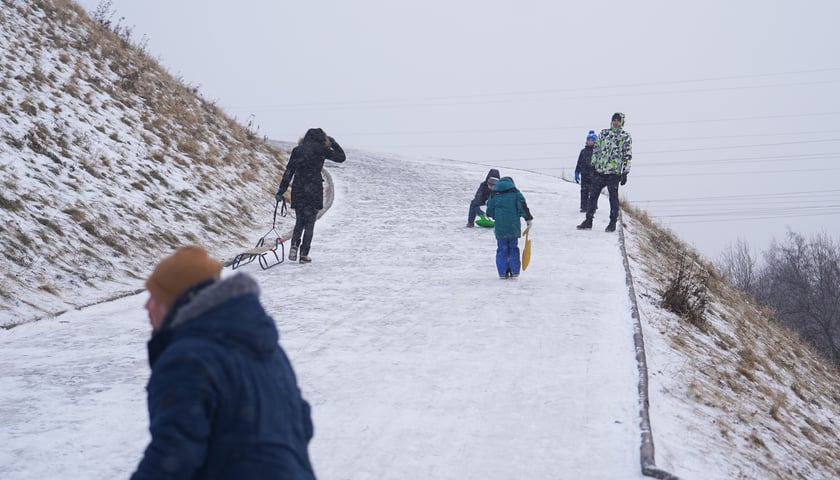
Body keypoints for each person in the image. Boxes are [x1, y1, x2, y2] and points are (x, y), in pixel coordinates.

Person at [132, 246, 316, 480]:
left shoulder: (188, 359)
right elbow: (301, 422)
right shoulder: (265, 347)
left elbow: (172, 457)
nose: (147, 306)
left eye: (156, 297)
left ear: (179, 303)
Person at [276, 128, 346, 263]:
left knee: (299, 221)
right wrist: (334, 144)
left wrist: (281, 190)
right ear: (322, 138)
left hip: (299, 188)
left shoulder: (298, 150)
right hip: (314, 189)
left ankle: (294, 246)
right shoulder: (322, 150)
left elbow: (289, 171)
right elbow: (341, 157)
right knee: (309, 223)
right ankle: (303, 254)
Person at [577, 112, 632, 232]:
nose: (616, 122)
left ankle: (612, 223)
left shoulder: (625, 136)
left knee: (613, 198)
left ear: (621, 122)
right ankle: (588, 220)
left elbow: (627, 155)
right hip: (600, 171)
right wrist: (593, 164)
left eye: (618, 120)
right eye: (614, 120)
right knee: (593, 196)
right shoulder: (604, 133)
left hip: (614, 173)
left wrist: (625, 172)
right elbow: (596, 150)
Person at [486, 176, 533, 279]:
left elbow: (489, 211)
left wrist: (497, 216)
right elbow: (523, 206)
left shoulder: (494, 194)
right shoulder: (515, 193)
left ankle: (502, 273)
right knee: (513, 248)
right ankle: (514, 271)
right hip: (513, 226)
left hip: (500, 227)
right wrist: (528, 219)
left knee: (502, 249)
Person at [574, 130, 597, 212]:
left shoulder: (597, 152)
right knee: (584, 191)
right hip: (584, 175)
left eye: (592, 140)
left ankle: (593, 207)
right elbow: (579, 163)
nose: (590, 142)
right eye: (589, 140)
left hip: (594, 175)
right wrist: (577, 172)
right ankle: (584, 207)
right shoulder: (583, 152)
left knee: (593, 192)